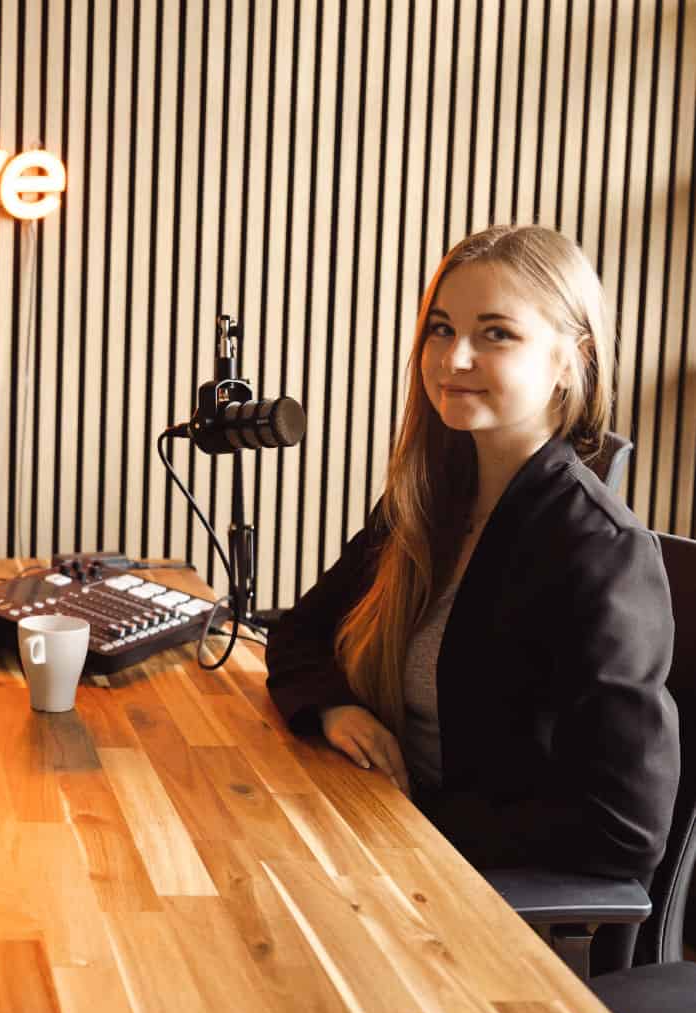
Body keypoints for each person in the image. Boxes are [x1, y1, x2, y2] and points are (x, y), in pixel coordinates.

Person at [267, 224, 677, 887]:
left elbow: (623, 828)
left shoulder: (601, 553)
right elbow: (298, 635)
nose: (454, 358)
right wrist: (337, 709)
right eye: (441, 329)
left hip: (467, 891)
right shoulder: (426, 501)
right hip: (374, 837)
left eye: (496, 334)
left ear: (569, 360)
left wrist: (421, 824)